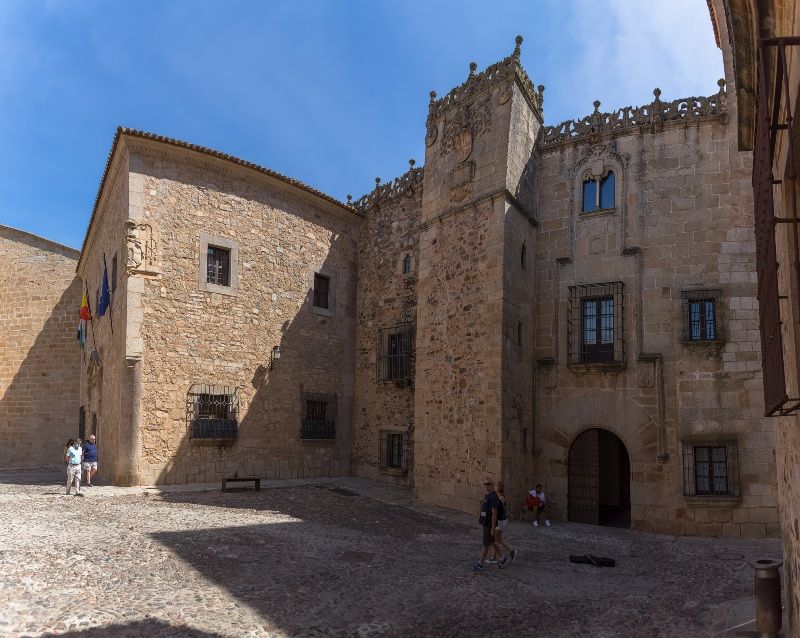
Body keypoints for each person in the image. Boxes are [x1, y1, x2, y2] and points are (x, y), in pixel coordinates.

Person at [472, 478, 507, 571]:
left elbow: (494, 512)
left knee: (486, 544)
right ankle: (503, 558)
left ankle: (480, 564)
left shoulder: (493, 496)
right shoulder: (488, 495)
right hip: (486, 522)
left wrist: (492, 527)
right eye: (485, 484)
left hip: (489, 524)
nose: (486, 486)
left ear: (493, 485)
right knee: (491, 541)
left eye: (488, 484)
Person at [491, 480, 517, 563]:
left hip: (500, 521)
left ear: (498, 487)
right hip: (501, 521)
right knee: (499, 539)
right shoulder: (499, 496)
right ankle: (511, 551)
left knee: (494, 539)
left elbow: (497, 510)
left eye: (496, 486)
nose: (494, 487)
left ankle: (495, 557)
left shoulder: (501, 497)